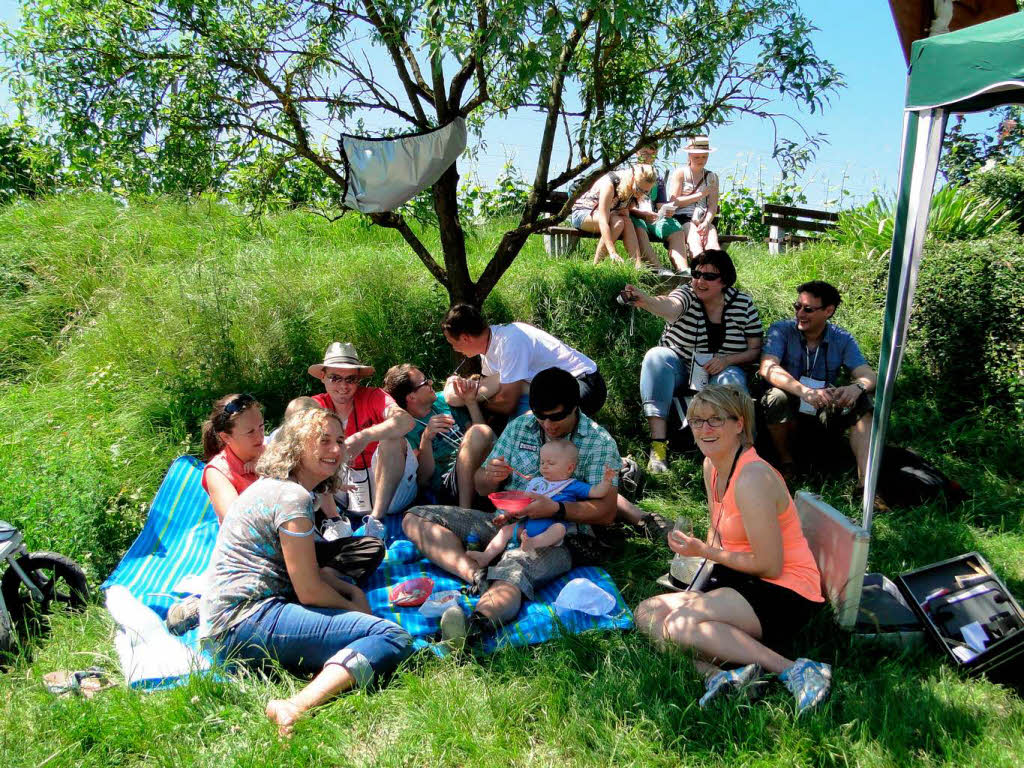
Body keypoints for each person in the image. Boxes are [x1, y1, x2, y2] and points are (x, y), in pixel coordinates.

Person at [199, 407, 412, 736]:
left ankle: (327, 668)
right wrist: (356, 607)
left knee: (353, 588)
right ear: (295, 446)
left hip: (229, 621)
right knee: (388, 635)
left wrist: (347, 592)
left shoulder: (279, 488)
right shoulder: (292, 497)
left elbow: (305, 567)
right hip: (241, 622)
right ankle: (295, 706)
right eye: (323, 441)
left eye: (339, 441)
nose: (336, 449)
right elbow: (309, 590)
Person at [634, 385, 831, 715]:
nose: (704, 429)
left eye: (715, 420)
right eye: (697, 421)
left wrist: (706, 553)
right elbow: (718, 531)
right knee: (648, 612)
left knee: (679, 626)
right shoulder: (712, 466)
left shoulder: (752, 477)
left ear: (739, 424)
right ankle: (723, 677)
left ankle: (796, 669)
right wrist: (700, 561)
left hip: (785, 588)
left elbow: (770, 565)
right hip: (743, 578)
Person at [402, 367, 621, 648]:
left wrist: (556, 509)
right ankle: (475, 574)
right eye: (541, 417)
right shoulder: (521, 426)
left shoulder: (598, 442)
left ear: (575, 407)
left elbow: (606, 512)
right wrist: (490, 476)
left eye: (556, 417)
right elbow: (482, 486)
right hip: (505, 522)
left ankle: (475, 625)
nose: (548, 425)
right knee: (417, 517)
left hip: (557, 537)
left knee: (514, 567)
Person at [622, 248, 762, 473]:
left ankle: (737, 454)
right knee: (656, 356)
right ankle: (658, 447)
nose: (699, 281)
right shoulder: (685, 293)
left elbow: (755, 350)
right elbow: (669, 306)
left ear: (724, 281)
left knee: (732, 381)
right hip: (680, 367)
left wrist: (727, 360)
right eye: (696, 274)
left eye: (708, 276)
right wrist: (646, 301)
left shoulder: (743, 304)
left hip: (722, 370)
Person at [758, 280, 877, 484]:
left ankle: (865, 482)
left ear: (828, 311)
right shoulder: (781, 330)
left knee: (864, 403)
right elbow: (768, 368)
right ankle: (787, 464)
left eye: (808, 309)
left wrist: (857, 387)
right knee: (776, 397)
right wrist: (804, 391)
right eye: (797, 306)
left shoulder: (842, 339)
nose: (800, 314)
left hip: (823, 405)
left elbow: (868, 375)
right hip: (792, 402)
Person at [307, 342, 417, 534]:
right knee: (310, 445)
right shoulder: (316, 405)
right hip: (341, 486)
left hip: (389, 487)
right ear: (323, 377)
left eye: (350, 379)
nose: (343, 386)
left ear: (358, 380)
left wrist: (365, 436)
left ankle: (375, 521)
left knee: (393, 438)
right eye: (335, 378)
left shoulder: (373, 396)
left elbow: (406, 421)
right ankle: (334, 521)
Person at [442, 303, 607, 419]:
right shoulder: (489, 346)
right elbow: (492, 387)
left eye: (453, 343)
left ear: (465, 338)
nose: (454, 349)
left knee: (533, 408)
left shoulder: (509, 342)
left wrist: (472, 403)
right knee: (517, 393)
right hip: (554, 385)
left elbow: (507, 404)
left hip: (584, 385)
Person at [470, 441, 617, 562]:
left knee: (559, 529)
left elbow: (597, 492)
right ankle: (486, 556)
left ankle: (533, 543)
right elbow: (523, 505)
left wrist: (606, 481)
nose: (544, 466)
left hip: (551, 527)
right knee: (505, 530)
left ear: (569, 468)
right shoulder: (537, 482)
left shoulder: (572, 484)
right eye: (542, 462)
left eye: (551, 463)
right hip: (527, 525)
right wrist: (507, 516)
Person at [382, 363, 495, 509]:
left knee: (480, 433)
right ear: (411, 397)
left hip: (480, 467)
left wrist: (471, 402)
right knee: (477, 433)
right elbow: (423, 479)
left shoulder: (443, 401)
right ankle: (465, 511)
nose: (431, 383)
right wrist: (426, 438)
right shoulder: (405, 429)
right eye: (424, 382)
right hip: (449, 484)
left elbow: (485, 438)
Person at [569, 164, 661, 268]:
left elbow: (624, 210)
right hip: (583, 213)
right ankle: (596, 266)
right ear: (632, 178)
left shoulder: (634, 189)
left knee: (626, 221)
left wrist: (642, 214)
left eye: (646, 191)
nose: (641, 194)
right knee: (618, 222)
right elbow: (603, 220)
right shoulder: (610, 184)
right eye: (639, 189)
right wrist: (612, 251)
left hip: (608, 216)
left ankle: (637, 266)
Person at [200, 393, 266, 524]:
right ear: (226, 437)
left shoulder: (268, 451)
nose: (260, 437)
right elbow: (236, 524)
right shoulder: (217, 473)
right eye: (250, 432)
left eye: (261, 427)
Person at [628, 143, 691, 273]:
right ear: (637, 153)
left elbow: (660, 205)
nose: (648, 158)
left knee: (675, 227)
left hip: (652, 216)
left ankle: (683, 270)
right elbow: (624, 205)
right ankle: (658, 269)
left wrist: (666, 211)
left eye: (652, 155)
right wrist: (642, 214)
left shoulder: (658, 179)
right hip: (633, 215)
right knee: (639, 227)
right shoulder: (629, 174)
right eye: (645, 153)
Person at [665, 136, 721, 265]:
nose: (701, 160)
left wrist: (706, 222)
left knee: (713, 244)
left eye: (704, 157)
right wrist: (700, 194)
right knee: (695, 242)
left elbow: (712, 205)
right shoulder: (680, 173)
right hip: (683, 217)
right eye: (697, 157)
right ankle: (698, 274)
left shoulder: (712, 177)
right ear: (689, 155)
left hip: (703, 218)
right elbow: (674, 202)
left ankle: (715, 277)